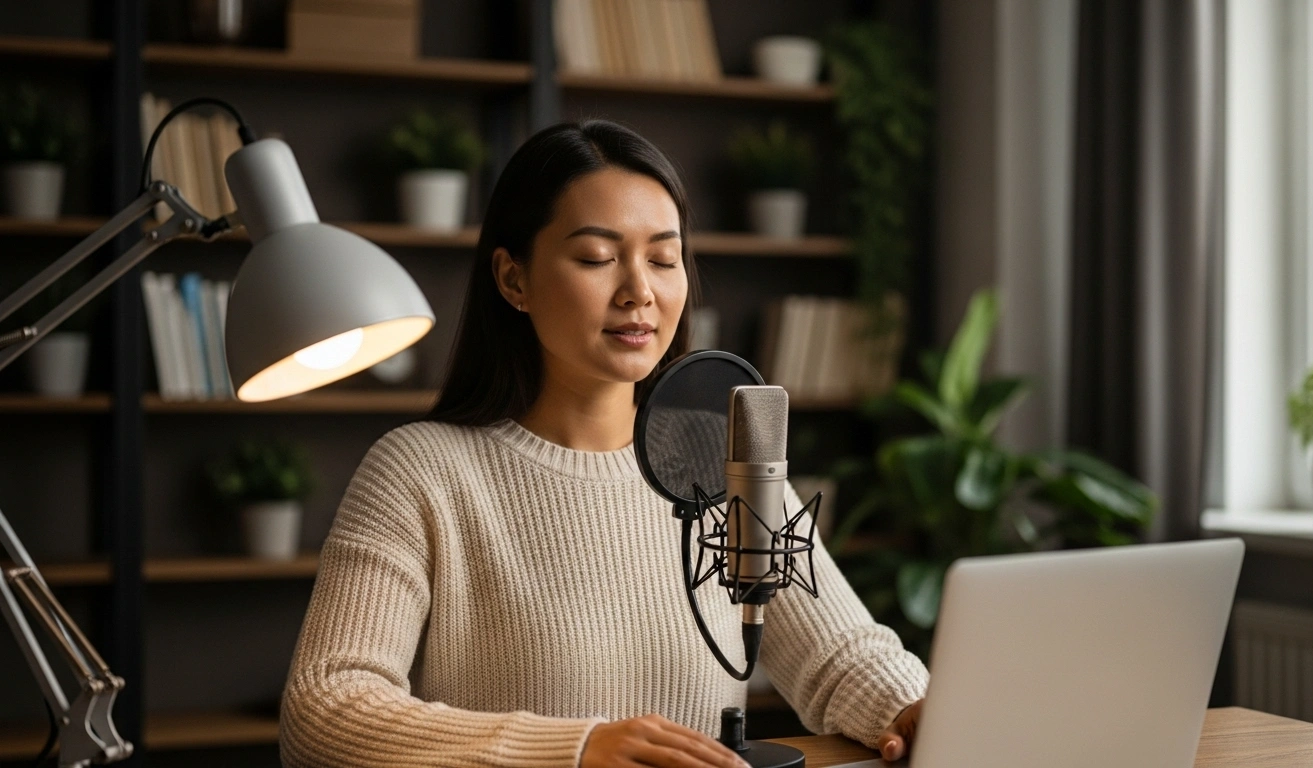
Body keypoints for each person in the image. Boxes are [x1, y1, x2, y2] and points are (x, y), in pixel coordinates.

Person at [280, 119, 928, 768]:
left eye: (663, 259)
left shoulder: (723, 459)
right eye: (597, 258)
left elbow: (843, 658)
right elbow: (324, 712)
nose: (639, 292)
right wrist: (573, 750)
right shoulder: (420, 471)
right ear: (513, 280)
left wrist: (910, 710)